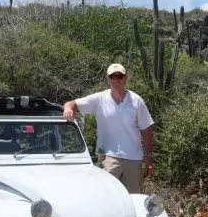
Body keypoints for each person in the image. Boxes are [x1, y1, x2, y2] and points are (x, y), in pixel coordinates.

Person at [63, 63, 155, 194]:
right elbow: (72, 103)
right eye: (112, 76)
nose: (116, 79)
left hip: (133, 157)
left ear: (125, 78)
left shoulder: (136, 101)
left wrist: (149, 159)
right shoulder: (99, 99)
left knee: (134, 197)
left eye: (119, 76)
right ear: (108, 79)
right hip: (108, 156)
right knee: (107, 195)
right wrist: (68, 108)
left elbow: (147, 132)